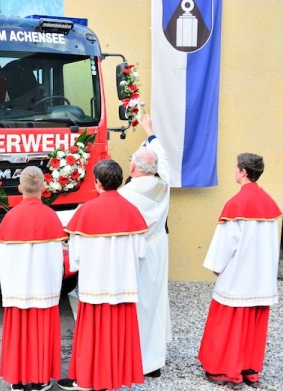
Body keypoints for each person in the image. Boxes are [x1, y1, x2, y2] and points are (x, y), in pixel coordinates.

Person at [58, 159, 147, 391]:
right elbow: (140, 254)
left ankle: (86, 378)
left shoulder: (85, 211)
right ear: (118, 182)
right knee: (118, 332)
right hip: (122, 284)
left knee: (91, 333)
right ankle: (115, 376)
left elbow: (75, 258)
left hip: (94, 284)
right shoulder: (132, 211)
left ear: (97, 183)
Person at [198, 153, 282, 389]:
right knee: (253, 324)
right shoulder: (269, 203)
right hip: (260, 277)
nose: (234, 171)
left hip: (238, 276)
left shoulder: (235, 204)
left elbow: (227, 242)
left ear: (244, 172)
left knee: (229, 324)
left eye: (236, 167)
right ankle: (250, 372)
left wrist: (216, 267)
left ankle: (229, 373)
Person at [0, 166, 67, 391]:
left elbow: (3, 258)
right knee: (41, 333)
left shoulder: (9, 217)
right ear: (44, 188)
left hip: (17, 287)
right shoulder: (51, 216)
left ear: (19, 188)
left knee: (18, 332)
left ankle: (17, 380)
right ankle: (39, 380)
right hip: (43, 287)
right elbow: (57, 257)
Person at [118, 113, 172, 378]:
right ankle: (155, 360)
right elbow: (162, 157)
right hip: (159, 246)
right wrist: (149, 132)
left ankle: (140, 358)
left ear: (132, 168)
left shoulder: (124, 196)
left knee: (139, 304)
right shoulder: (163, 182)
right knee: (156, 301)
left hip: (136, 251)